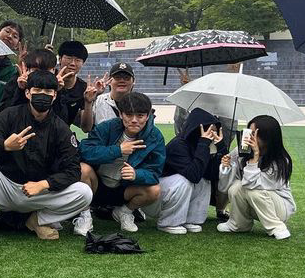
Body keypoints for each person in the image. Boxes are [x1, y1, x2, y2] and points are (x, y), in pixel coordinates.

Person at [0, 70, 93, 248]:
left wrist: (44, 184)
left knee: (84, 193)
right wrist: (4, 145)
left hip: (38, 193)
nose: (43, 95)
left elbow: (73, 170)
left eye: (48, 92)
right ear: (28, 93)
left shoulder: (61, 128)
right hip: (4, 187)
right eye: (37, 90)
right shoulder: (10, 115)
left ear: (54, 96)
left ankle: (37, 220)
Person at [77, 92, 166, 234]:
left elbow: (155, 171)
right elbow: (85, 151)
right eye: (129, 115)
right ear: (120, 114)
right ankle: (85, 214)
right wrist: (117, 150)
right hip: (97, 184)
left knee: (154, 190)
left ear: (148, 116)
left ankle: (124, 212)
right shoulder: (107, 127)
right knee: (83, 169)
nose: (134, 120)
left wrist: (136, 174)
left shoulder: (155, 137)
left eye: (140, 116)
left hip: (125, 188)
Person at [143, 109, 223, 234]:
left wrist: (221, 148)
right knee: (185, 180)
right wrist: (203, 144)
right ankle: (168, 222)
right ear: (198, 128)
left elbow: (211, 175)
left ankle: (191, 219)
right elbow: (193, 175)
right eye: (209, 130)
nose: (212, 134)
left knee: (204, 180)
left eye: (214, 131)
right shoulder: (178, 145)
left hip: (171, 191)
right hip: (154, 197)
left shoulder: (203, 145)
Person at [216, 115, 296, 240]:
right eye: (248, 132)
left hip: (278, 209)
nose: (249, 137)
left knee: (252, 190)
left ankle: (277, 227)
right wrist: (227, 167)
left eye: (254, 134)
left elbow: (254, 184)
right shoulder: (241, 151)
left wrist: (255, 158)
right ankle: (239, 224)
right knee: (235, 188)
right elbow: (225, 185)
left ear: (267, 137)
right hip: (255, 204)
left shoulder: (280, 161)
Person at [54, 40, 102, 132]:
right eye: (69, 58)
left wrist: (88, 102)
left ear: (83, 63)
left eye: (78, 60)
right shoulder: (48, 79)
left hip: (63, 135)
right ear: (60, 59)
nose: (73, 63)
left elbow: (86, 128)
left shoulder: (83, 88)